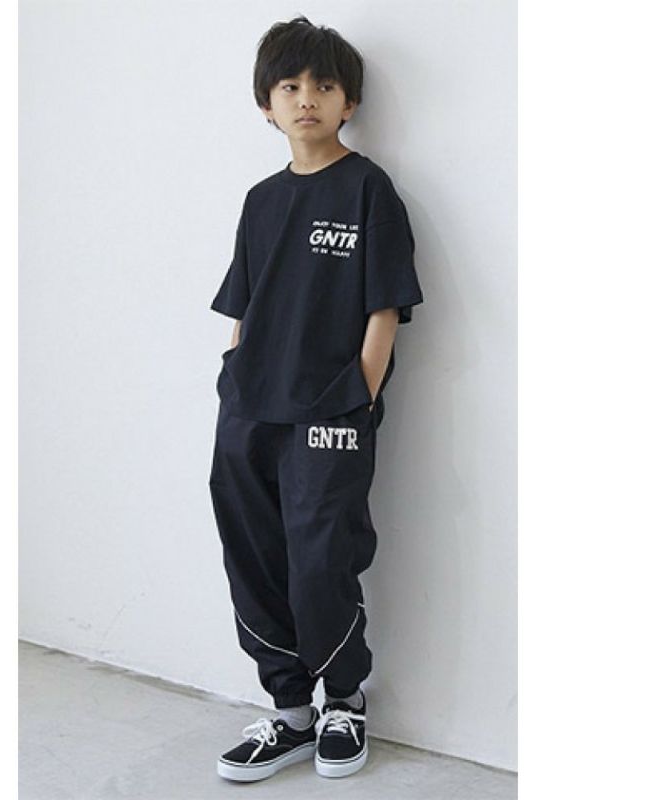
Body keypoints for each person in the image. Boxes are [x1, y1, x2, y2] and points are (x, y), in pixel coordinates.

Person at [208, 15, 423, 783]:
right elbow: (244, 305)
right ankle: (291, 712)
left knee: (320, 557)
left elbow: (385, 308)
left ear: (348, 102)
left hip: (330, 412)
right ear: (266, 103)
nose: (307, 98)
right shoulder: (261, 200)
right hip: (249, 409)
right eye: (290, 86)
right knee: (254, 556)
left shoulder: (368, 190)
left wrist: (357, 396)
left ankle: (344, 702)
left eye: (324, 86)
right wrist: (236, 379)